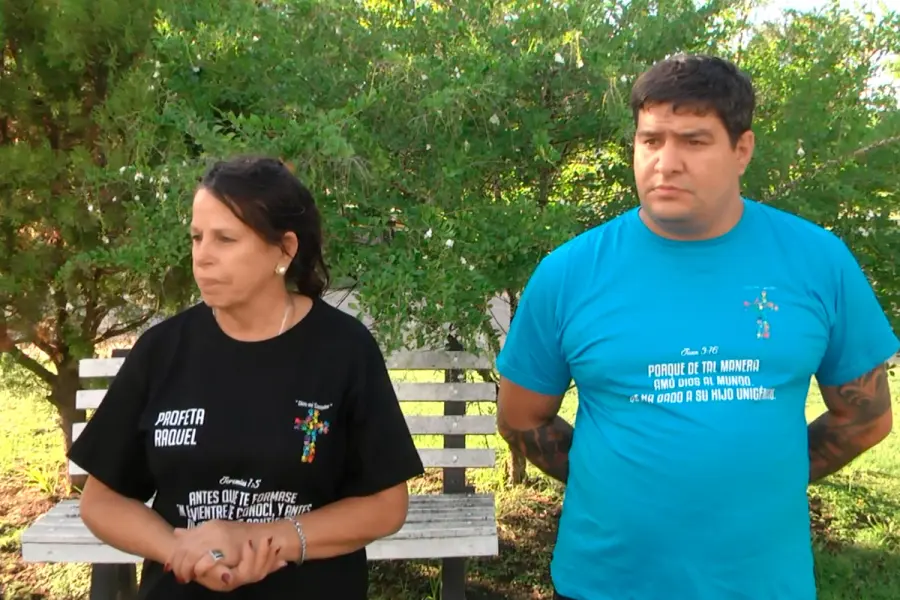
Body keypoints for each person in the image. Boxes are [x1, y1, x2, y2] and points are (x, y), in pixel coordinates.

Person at [495, 54, 898, 600]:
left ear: (742, 150)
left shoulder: (818, 262)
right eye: (651, 140)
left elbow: (866, 416)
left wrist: (763, 479)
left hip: (762, 585)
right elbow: (519, 418)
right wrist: (609, 481)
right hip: (605, 582)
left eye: (694, 141)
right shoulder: (569, 273)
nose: (666, 163)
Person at [68, 155, 426, 599]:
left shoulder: (344, 350)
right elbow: (100, 502)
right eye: (197, 237)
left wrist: (265, 540)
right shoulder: (161, 350)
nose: (203, 256)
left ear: (285, 249)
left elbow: (386, 506)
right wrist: (179, 549)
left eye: (225, 239)